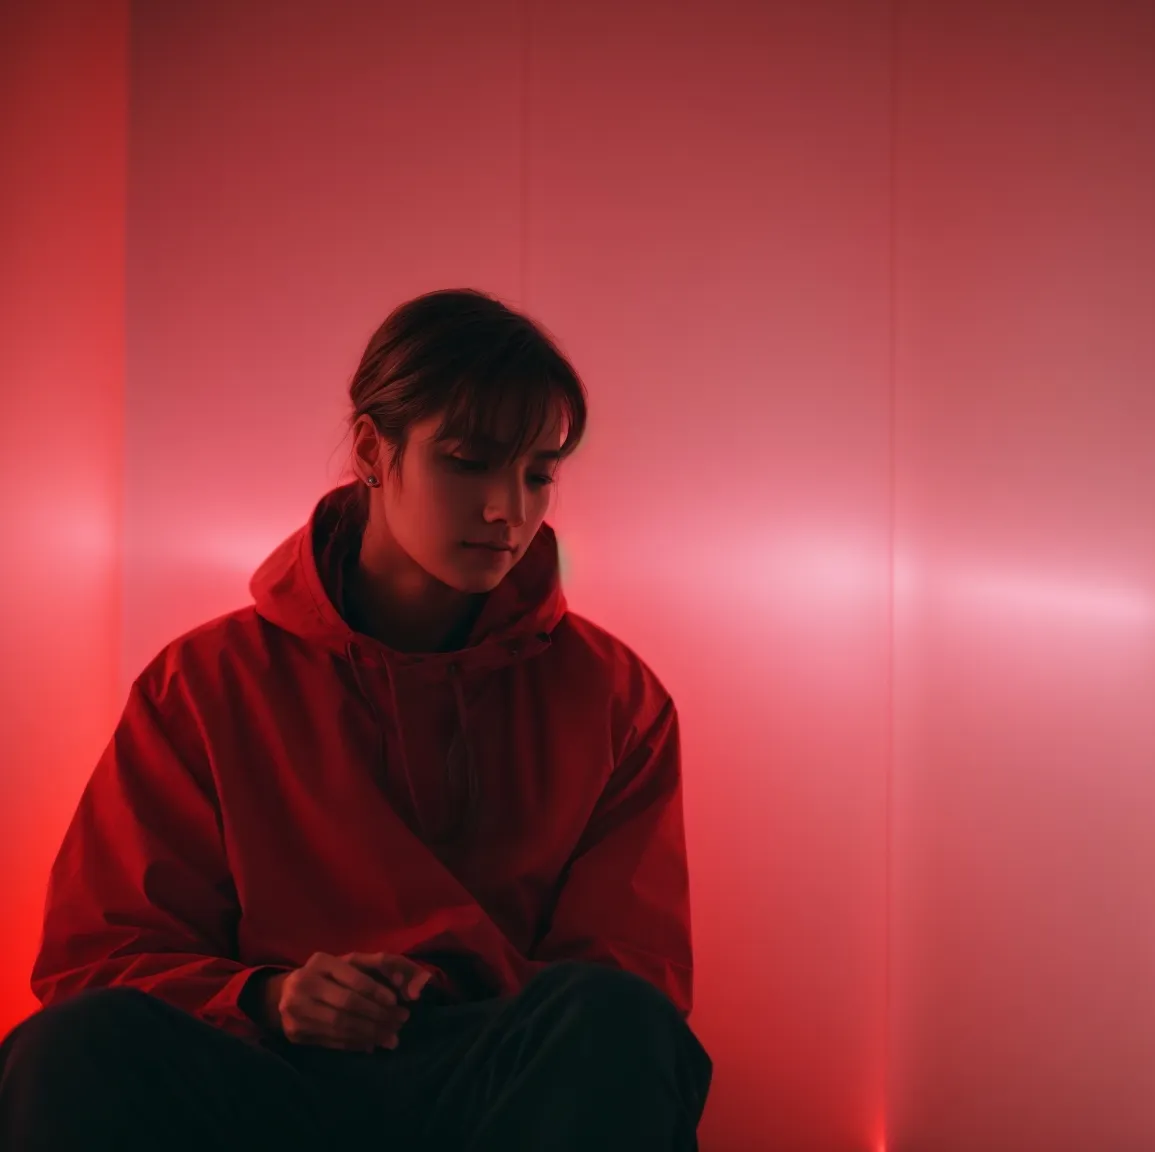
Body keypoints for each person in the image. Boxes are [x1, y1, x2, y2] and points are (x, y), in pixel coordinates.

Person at [0, 288, 711, 1151]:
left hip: (495, 1085)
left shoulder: (616, 698)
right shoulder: (202, 682)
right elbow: (97, 957)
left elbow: (633, 974)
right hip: (262, 1071)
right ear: (374, 451)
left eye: (537, 475)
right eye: (468, 461)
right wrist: (271, 996)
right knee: (71, 1048)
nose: (509, 512)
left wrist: (470, 1010)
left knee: (618, 1021)